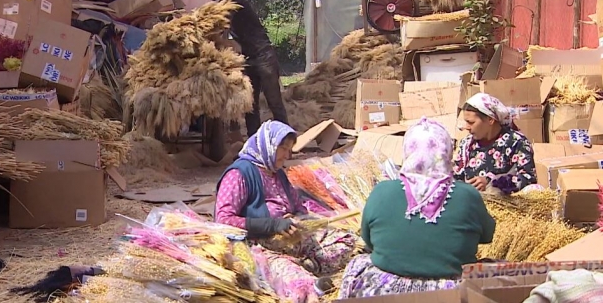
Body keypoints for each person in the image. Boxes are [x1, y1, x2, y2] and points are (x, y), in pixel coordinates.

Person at [338, 118, 495, 299]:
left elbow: (368, 240)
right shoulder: (468, 195)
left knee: (357, 263)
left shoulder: (382, 190)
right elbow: (487, 235)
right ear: (446, 152)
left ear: (407, 152)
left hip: (386, 292)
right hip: (449, 293)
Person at [215, 120, 356, 302]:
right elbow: (223, 220)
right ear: (269, 145)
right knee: (299, 284)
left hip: (292, 241)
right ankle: (300, 274)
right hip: (260, 246)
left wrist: (299, 219)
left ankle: (308, 264)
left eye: (289, 149)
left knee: (346, 241)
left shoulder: (277, 172)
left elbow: (298, 207)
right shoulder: (239, 174)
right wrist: (273, 225)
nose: (287, 155)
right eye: (283, 148)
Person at [200, 0, 289, 139]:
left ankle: (286, 141)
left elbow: (217, 23)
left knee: (274, 102)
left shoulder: (234, 0)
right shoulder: (224, 3)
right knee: (250, 105)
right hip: (248, 58)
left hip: (263, 56)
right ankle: (253, 143)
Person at [454, 93, 540, 195]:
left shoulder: (516, 142)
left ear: (490, 119)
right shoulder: (466, 145)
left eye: (471, 122)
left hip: (506, 205)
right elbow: (456, 177)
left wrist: (492, 182)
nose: (467, 127)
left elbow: (528, 178)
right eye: (466, 122)